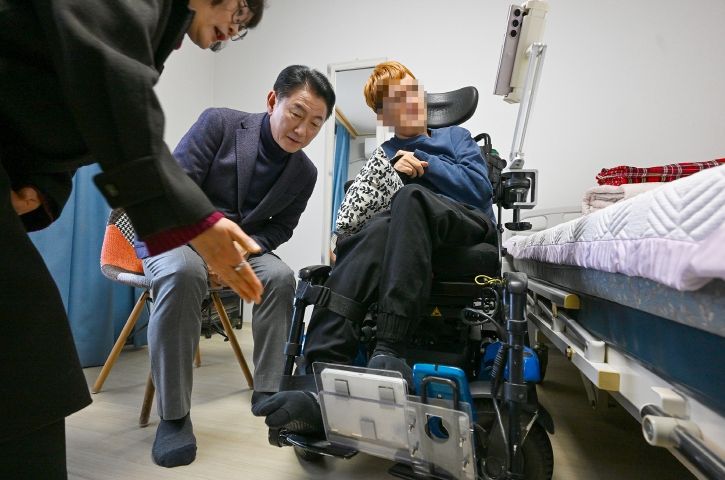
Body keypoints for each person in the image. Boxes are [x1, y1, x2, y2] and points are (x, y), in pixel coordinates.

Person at [1, 1, 265, 478]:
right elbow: (114, 99)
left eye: (242, 29)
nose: (234, 29)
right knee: (30, 346)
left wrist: (41, 188)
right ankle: (174, 414)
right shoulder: (145, 27)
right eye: (241, 11)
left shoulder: (154, 37)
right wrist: (196, 220)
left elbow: (69, 116)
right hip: (159, 231)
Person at [252, 61, 495, 436]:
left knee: (411, 198)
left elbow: (480, 191)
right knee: (376, 229)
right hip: (407, 236)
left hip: (465, 227)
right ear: (383, 116)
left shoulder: (455, 137)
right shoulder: (384, 154)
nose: (410, 102)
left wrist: (426, 166)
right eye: (396, 101)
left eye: (412, 92)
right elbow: (362, 211)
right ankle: (316, 377)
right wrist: (348, 238)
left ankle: (389, 349)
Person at [141, 65, 334, 468]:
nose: (303, 130)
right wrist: (211, 248)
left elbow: (281, 227)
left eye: (316, 123)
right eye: (297, 113)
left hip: (237, 249)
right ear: (272, 101)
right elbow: (177, 187)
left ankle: (267, 388)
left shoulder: (305, 172)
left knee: (280, 277)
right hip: (179, 234)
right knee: (183, 272)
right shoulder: (220, 124)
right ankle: (174, 417)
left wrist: (243, 252)